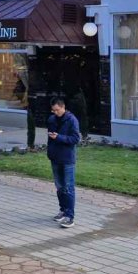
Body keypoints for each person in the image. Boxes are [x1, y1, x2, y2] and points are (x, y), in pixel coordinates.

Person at [47, 97, 81, 229]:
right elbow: (50, 138)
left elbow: (75, 139)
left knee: (68, 187)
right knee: (59, 186)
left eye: (57, 110)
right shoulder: (51, 120)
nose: (55, 112)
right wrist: (50, 151)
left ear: (63, 107)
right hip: (55, 157)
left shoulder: (72, 120)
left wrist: (59, 137)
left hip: (67, 159)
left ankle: (69, 216)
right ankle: (63, 210)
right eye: (53, 110)